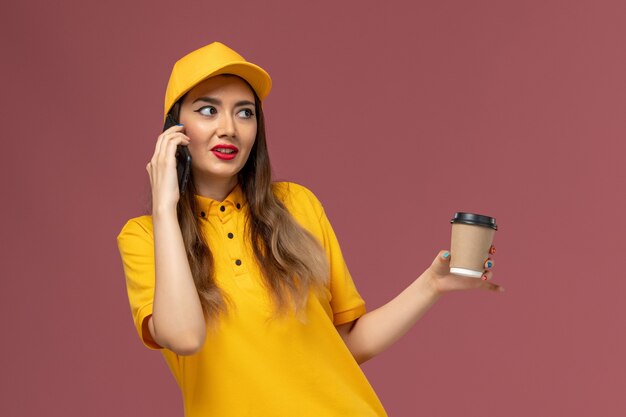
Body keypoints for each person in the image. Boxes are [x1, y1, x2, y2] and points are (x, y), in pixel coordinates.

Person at [117, 41, 502, 417]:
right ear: (174, 130)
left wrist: (431, 284)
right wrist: (166, 208)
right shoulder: (146, 238)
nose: (229, 128)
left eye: (245, 113)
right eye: (208, 110)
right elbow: (184, 337)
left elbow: (345, 344)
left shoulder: (297, 205)